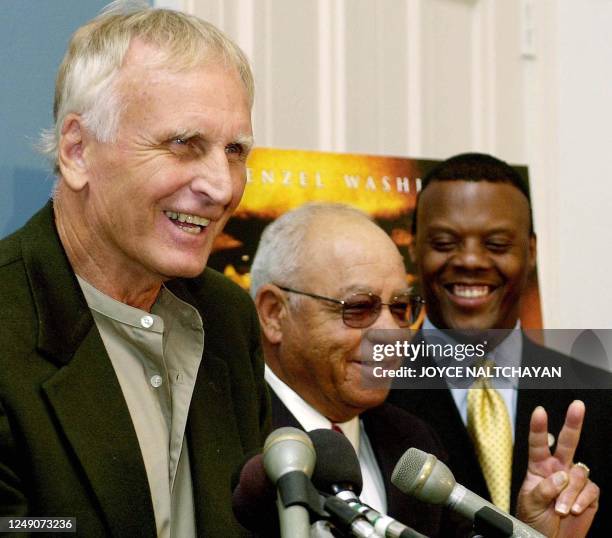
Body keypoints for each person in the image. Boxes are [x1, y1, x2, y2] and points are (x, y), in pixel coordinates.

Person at [0, 2, 269, 536]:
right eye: (183, 145)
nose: (222, 187)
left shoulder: (227, 318)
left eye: (235, 150)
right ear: (77, 151)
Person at [250, 202, 597, 537]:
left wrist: (530, 532)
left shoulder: (411, 442)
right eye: (357, 307)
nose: (390, 333)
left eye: (401, 308)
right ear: (273, 314)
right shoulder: (229, 434)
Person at [388, 152, 608, 536]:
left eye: (496, 243)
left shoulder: (600, 399)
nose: (471, 260)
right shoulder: (373, 393)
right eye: (444, 242)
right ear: (413, 247)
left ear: (532, 251)